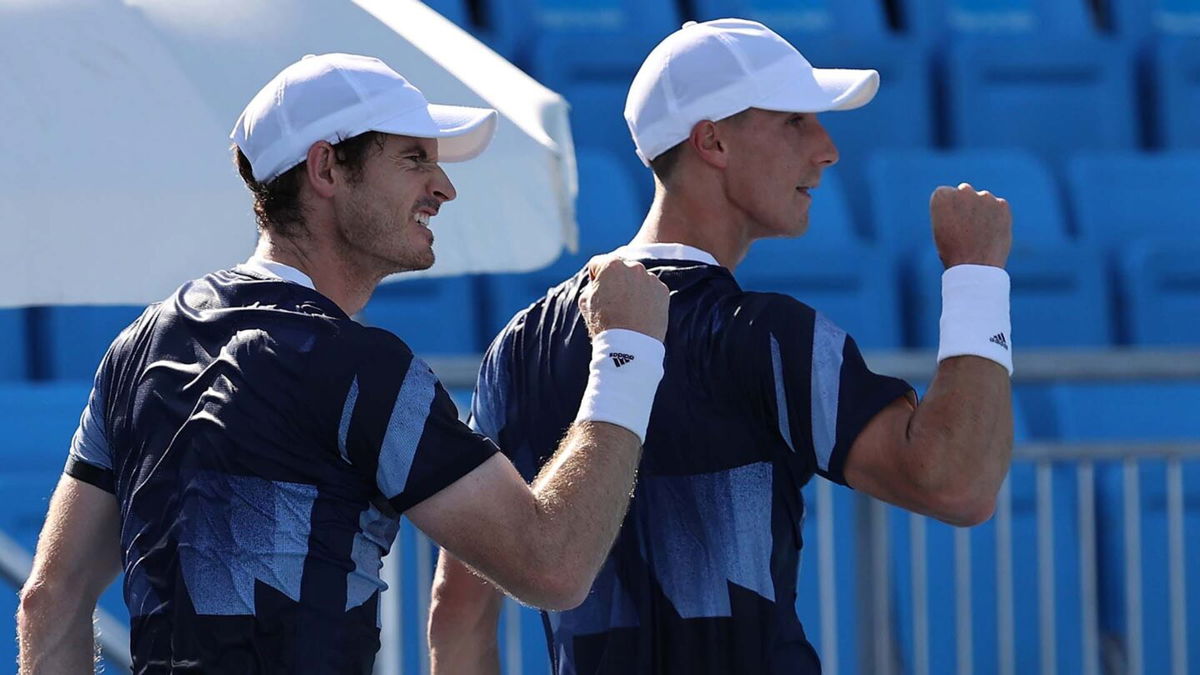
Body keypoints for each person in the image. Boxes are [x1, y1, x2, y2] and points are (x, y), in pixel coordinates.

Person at [16, 53, 671, 674]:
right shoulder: (364, 368)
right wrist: (629, 352)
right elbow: (551, 565)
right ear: (326, 169)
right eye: (414, 158)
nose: (442, 187)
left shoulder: (136, 346)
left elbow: (50, 598)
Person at [428, 18, 1014, 675]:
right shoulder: (769, 335)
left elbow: (458, 608)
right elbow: (958, 483)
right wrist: (977, 277)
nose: (827, 149)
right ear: (712, 141)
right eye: (794, 122)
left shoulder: (519, 344)